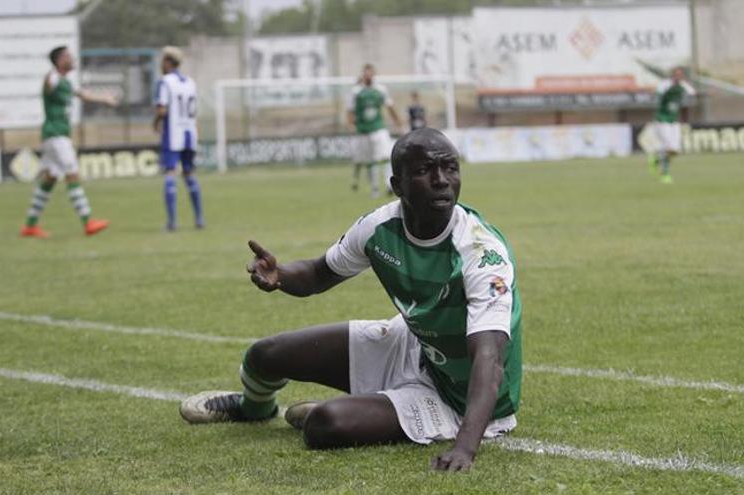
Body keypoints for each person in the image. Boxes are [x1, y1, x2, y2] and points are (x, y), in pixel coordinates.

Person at [180, 128, 522, 472]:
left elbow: (490, 359)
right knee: (264, 355)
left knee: (325, 424)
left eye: (450, 168)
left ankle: (360, 411)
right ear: (397, 184)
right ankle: (252, 409)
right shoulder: (380, 228)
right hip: (414, 346)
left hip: (459, 398)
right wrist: (280, 275)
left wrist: (464, 448)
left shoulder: (481, 252)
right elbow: (318, 273)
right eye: (423, 171)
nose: (441, 180)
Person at [20, 46, 116, 238]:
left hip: (56, 135)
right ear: (59, 60)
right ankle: (88, 221)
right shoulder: (53, 77)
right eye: (67, 56)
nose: (72, 59)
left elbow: (82, 94)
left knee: (50, 178)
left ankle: (30, 225)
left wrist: (104, 99)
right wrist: (50, 77)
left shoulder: (65, 82)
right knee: (72, 173)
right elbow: (48, 85)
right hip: (56, 136)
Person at [153, 46, 204, 231]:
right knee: (189, 174)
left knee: (170, 173)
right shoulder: (190, 82)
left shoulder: (165, 82)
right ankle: (199, 219)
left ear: (167, 61)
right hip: (190, 134)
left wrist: (156, 122)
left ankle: (172, 222)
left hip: (173, 134)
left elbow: (162, 109)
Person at [347, 64, 402, 198]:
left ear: (374, 74)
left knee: (388, 156)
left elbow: (390, 106)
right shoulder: (356, 92)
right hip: (363, 131)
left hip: (379, 129)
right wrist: (351, 125)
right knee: (370, 161)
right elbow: (349, 111)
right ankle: (375, 189)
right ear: (363, 75)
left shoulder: (380, 90)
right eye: (366, 73)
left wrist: (398, 121)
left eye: (371, 73)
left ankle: (389, 184)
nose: (369, 75)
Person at [648, 67, 696, 184]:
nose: (678, 77)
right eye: (676, 75)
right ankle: (665, 174)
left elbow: (693, 93)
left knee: (675, 150)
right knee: (669, 147)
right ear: (672, 76)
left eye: (680, 75)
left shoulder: (683, 86)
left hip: (674, 121)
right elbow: (657, 94)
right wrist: (655, 94)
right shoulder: (665, 85)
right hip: (662, 120)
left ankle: (656, 158)